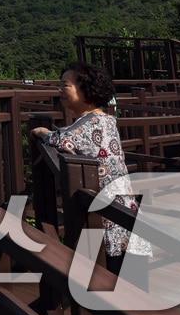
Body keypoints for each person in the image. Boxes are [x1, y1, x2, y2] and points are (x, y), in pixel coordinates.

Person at [30, 62, 152, 279]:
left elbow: (64, 139)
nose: (60, 90)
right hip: (123, 210)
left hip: (111, 216)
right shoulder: (104, 119)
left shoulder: (92, 123)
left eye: (65, 85)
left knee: (117, 282)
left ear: (86, 88)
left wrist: (43, 133)